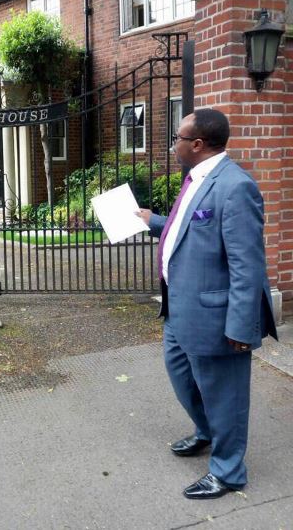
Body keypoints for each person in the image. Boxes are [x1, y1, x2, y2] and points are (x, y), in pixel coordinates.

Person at [137, 108, 277, 500]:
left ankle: (228, 471)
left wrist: (241, 327)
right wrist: (152, 220)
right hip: (180, 310)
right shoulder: (196, 178)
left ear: (197, 144)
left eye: (177, 138)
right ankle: (207, 431)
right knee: (184, 380)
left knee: (226, 396)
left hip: (217, 319)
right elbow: (188, 230)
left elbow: (247, 266)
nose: (173, 145)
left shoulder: (235, 187)